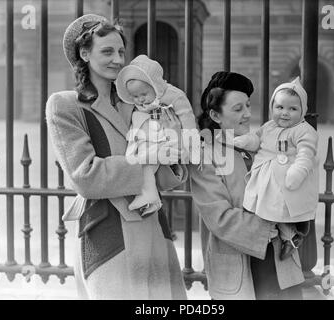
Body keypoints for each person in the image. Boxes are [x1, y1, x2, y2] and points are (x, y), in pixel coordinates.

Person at [46, 14, 188, 300]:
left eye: (121, 51)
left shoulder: (138, 103)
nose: (117, 59)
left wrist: (173, 147)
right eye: (107, 51)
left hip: (152, 229)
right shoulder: (65, 105)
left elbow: (165, 179)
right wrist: (151, 157)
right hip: (108, 233)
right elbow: (86, 177)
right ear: (84, 54)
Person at [190, 71, 305, 300]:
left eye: (248, 106)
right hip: (240, 266)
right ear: (215, 114)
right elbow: (219, 217)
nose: (247, 114)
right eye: (237, 109)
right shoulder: (204, 155)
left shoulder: (260, 144)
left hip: (279, 263)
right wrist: (269, 226)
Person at [233, 77, 318, 260]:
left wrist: (297, 172)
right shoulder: (269, 126)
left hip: (287, 181)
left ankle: (291, 237)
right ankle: (273, 235)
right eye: (279, 107)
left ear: (303, 111)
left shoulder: (304, 131)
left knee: (282, 210)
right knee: (266, 208)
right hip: (267, 179)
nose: (285, 113)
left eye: (292, 109)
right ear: (272, 107)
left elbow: (306, 154)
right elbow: (257, 140)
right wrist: (243, 141)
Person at [115, 54, 196, 215]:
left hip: (165, 140)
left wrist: (190, 144)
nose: (139, 100)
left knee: (148, 162)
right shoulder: (138, 105)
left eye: (143, 94)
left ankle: (150, 197)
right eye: (135, 97)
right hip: (148, 139)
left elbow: (187, 119)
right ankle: (150, 197)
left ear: (155, 86)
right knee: (144, 163)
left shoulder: (173, 96)